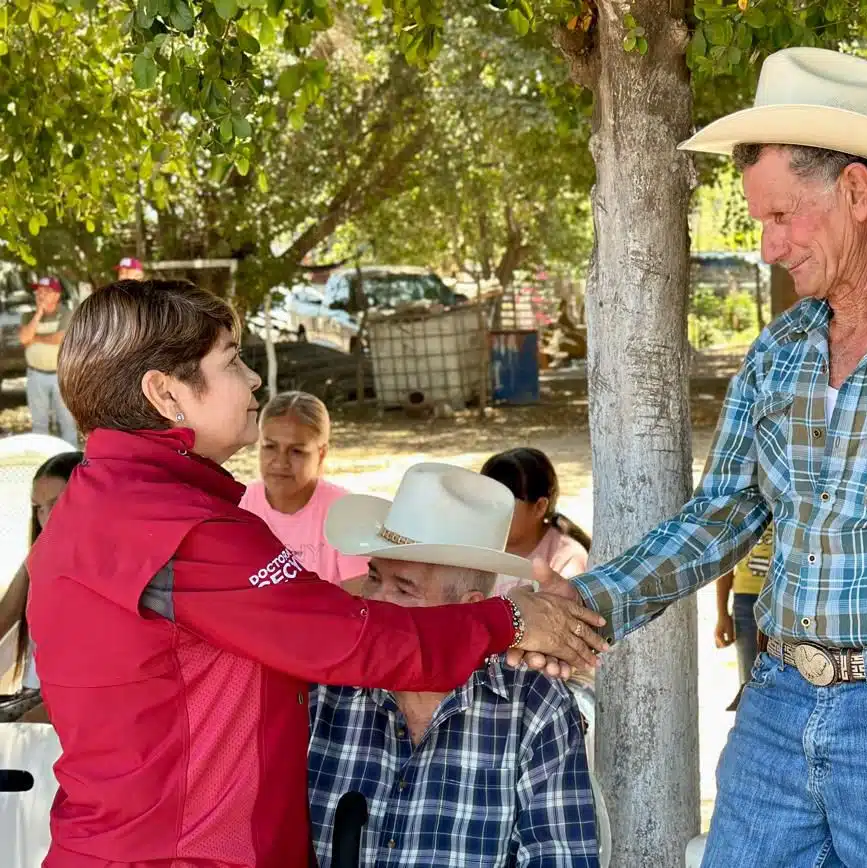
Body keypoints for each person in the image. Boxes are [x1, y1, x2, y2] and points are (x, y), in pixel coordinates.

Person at [517, 48, 867, 868]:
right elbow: (720, 517)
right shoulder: (781, 349)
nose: (769, 248)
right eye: (761, 222)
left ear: (854, 191)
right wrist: (588, 601)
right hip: (778, 705)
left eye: (782, 217)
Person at [23, 280, 607, 868]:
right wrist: (509, 618)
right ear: (164, 391)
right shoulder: (180, 526)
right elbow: (345, 638)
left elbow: (290, 621)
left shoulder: (91, 507)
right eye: (231, 360)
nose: (253, 380)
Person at [310, 464, 598, 867]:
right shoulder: (325, 682)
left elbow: (561, 857)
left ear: (469, 611)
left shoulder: (533, 706)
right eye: (374, 578)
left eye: (404, 588)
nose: (375, 603)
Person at [241, 391, 368, 586]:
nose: (280, 462)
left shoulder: (347, 514)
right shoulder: (239, 505)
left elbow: (359, 604)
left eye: (297, 451)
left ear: (321, 453)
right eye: (270, 447)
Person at [0, 449, 82, 723]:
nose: (46, 517)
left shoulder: (110, 567)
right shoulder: (37, 558)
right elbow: (3, 621)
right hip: (36, 698)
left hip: (76, 704)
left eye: (56, 503)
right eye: (38, 508)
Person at [482, 447, 590, 596]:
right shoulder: (475, 549)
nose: (491, 511)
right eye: (485, 501)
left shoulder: (566, 559)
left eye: (503, 503)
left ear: (539, 507)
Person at [712, 522, 773, 688]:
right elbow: (726, 560)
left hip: (787, 600)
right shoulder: (746, 502)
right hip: (747, 600)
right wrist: (722, 614)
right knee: (750, 682)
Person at [18, 276, 77, 445]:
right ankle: (42, 461)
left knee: (67, 422)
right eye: (38, 291)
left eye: (46, 291)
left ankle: (69, 461)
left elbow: (60, 338)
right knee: (39, 424)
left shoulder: (66, 313)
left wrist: (34, 339)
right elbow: (23, 338)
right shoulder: (28, 315)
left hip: (61, 375)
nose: (40, 295)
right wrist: (38, 314)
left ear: (56, 295)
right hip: (35, 375)